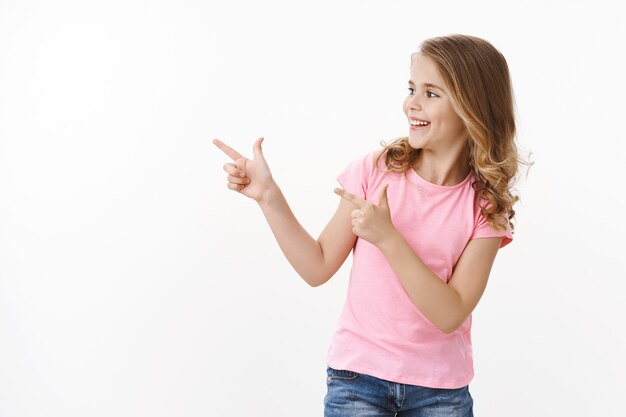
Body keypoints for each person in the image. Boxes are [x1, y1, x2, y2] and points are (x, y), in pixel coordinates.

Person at [213, 33, 531, 417]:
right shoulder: (376, 170)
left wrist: (389, 239)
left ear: (472, 108)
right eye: (412, 87)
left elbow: (451, 313)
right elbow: (317, 267)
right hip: (357, 380)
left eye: (432, 93)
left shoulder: (484, 206)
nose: (411, 103)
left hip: (440, 393)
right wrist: (269, 197)